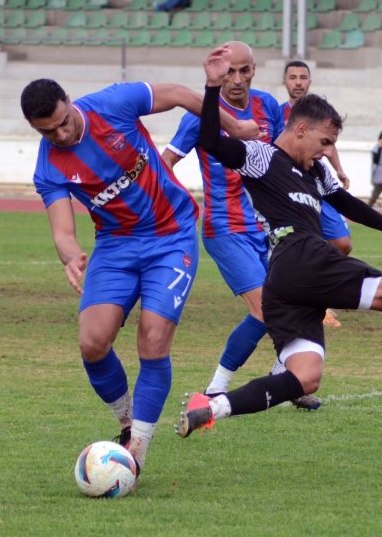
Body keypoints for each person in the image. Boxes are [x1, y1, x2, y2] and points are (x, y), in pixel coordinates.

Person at [177, 45, 382, 438]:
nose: (326, 151)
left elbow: (347, 203)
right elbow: (213, 144)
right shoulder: (261, 157)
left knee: (305, 377)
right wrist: (212, 86)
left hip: (284, 280)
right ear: (300, 129)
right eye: (324, 141)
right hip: (300, 254)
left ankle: (212, 406)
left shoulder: (316, 172)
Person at [20, 78, 256, 473]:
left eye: (63, 122)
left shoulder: (113, 104)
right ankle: (128, 420)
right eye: (47, 131)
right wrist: (72, 255)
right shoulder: (49, 167)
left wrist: (234, 125)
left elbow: (181, 95)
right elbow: (62, 231)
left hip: (172, 236)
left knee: (153, 339)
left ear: (69, 101)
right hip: (115, 245)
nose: (60, 134)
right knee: (92, 343)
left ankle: (139, 446)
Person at [162, 42, 321, 411]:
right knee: (266, 309)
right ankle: (217, 388)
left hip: (270, 227)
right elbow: (165, 162)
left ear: (254, 70)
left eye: (243, 70)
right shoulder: (201, 114)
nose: (236, 80)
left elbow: (286, 154)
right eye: (229, 71)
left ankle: (288, 378)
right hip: (226, 228)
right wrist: (177, 202)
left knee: (291, 301)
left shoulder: (267, 106)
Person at [281, 59, 352, 328]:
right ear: (285, 82)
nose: (298, 82)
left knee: (343, 244)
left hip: (318, 185)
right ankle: (316, 303)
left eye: (303, 77)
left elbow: (328, 147)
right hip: (290, 190)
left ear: (309, 81)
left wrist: (339, 170)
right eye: (293, 77)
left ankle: (314, 287)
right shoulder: (278, 113)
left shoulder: (319, 114)